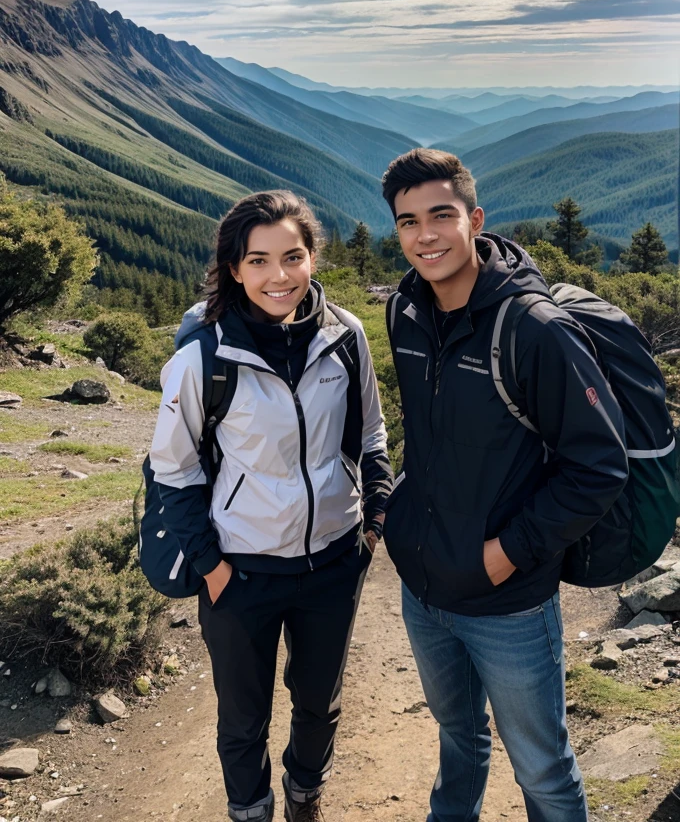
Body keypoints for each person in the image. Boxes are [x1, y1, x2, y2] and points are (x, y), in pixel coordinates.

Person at [380, 149, 628, 822]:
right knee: (458, 734)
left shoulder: (534, 331)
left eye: (441, 216)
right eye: (407, 222)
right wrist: (397, 515)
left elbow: (599, 465)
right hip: (423, 589)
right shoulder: (404, 314)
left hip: (508, 603)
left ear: (475, 219)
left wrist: (506, 552)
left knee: (543, 770)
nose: (424, 236)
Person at [149, 190, 393, 822]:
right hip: (240, 568)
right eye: (258, 261)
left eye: (292, 257)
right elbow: (171, 471)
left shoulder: (345, 336)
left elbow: (370, 432)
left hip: (334, 561)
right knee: (243, 716)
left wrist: (374, 520)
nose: (277, 276)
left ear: (313, 258)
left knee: (319, 702)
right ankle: (250, 809)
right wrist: (211, 566)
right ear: (235, 268)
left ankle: (305, 796)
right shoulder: (203, 355)